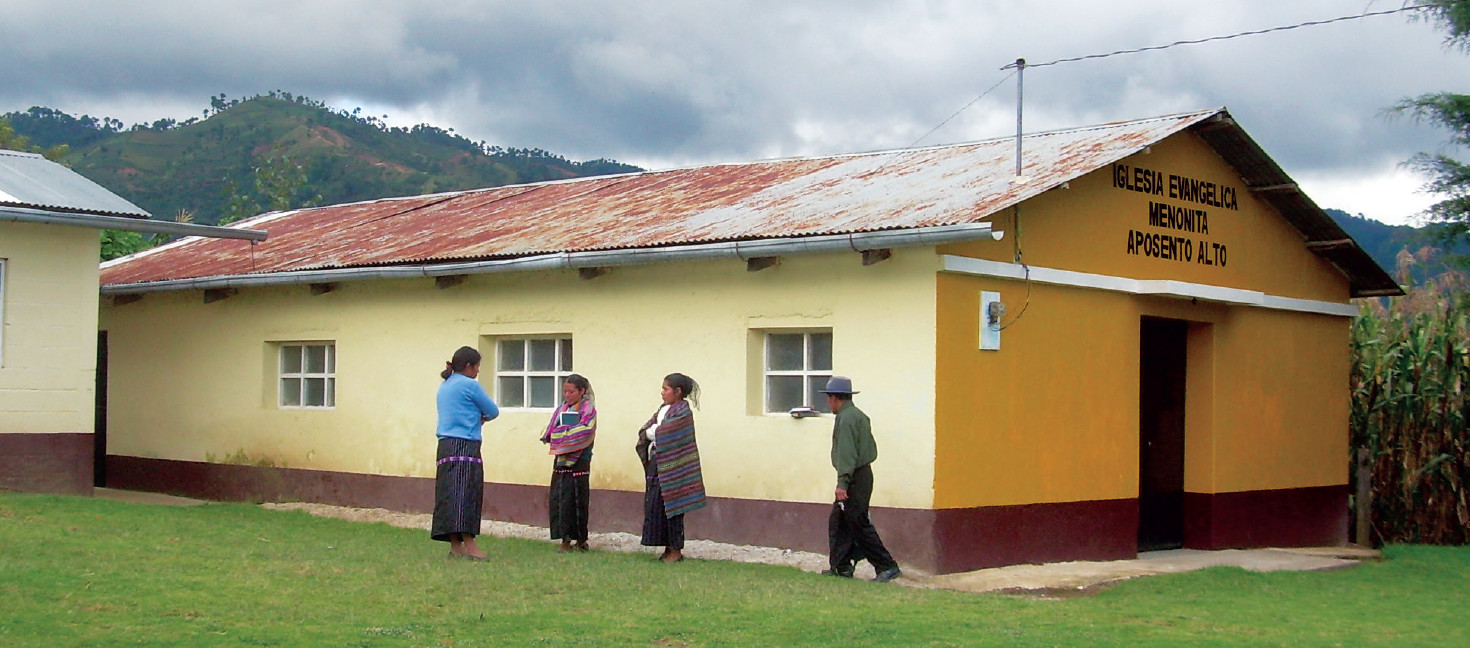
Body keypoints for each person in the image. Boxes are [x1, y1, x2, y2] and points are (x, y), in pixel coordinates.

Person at [821, 376, 902, 582]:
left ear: (834, 398)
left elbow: (847, 454)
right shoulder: (859, 415)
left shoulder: (846, 418)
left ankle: (886, 565)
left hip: (854, 476)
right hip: (862, 474)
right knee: (839, 521)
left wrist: (842, 483)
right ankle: (841, 566)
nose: (827, 403)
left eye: (828, 398)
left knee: (858, 523)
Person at [431, 346, 500, 560]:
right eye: (478, 366)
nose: (478, 371)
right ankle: (471, 546)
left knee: (449, 495)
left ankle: (455, 545)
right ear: (469, 366)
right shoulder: (470, 386)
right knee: (466, 495)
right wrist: (480, 418)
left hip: (445, 446)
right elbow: (493, 411)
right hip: (466, 445)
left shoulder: (445, 386)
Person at [636, 372, 707, 563]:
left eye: (666, 389)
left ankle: (676, 550)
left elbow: (662, 432)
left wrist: (653, 432)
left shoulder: (683, 412)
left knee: (674, 508)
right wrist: (651, 432)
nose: (662, 393)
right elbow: (647, 429)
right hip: (658, 465)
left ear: (678, 391)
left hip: (675, 470)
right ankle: (667, 547)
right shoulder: (663, 410)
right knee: (657, 506)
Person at [540, 373, 597, 552]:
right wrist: (561, 436)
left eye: (571, 392)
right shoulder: (562, 410)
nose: (567, 395)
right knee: (561, 500)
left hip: (580, 461)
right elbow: (557, 431)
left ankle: (581, 540)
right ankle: (564, 540)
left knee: (578, 500)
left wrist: (561, 436)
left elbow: (582, 432)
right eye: (565, 391)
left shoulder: (588, 411)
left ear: (582, 391)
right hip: (561, 462)